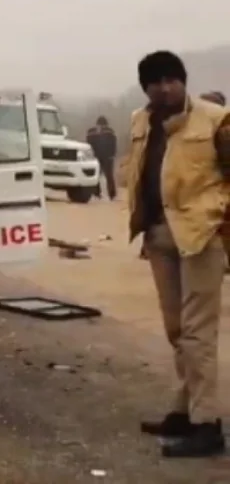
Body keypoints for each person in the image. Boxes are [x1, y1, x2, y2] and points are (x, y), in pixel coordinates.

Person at [127, 51, 229, 458]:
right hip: (159, 234)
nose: (165, 87)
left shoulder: (216, 119)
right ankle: (185, 410)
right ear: (146, 88)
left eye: (172, 79)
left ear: (184, 81)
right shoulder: (140, 121)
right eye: (156, 81)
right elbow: (138, 173)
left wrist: (218, 215)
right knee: (176, 329)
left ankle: (207, 424)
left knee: (198, 333)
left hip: (201, 234)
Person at [87, 116, 118, 200]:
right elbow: (114, 143)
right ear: (106, 124)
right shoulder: (110, 131)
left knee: (96, 175)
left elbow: (88, 143)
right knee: (109, 176)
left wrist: (91, 155)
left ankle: (96, 193)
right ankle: (112, 194)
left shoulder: (91, 132)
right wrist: (113, 154)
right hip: (108, 157)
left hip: (96, 156)